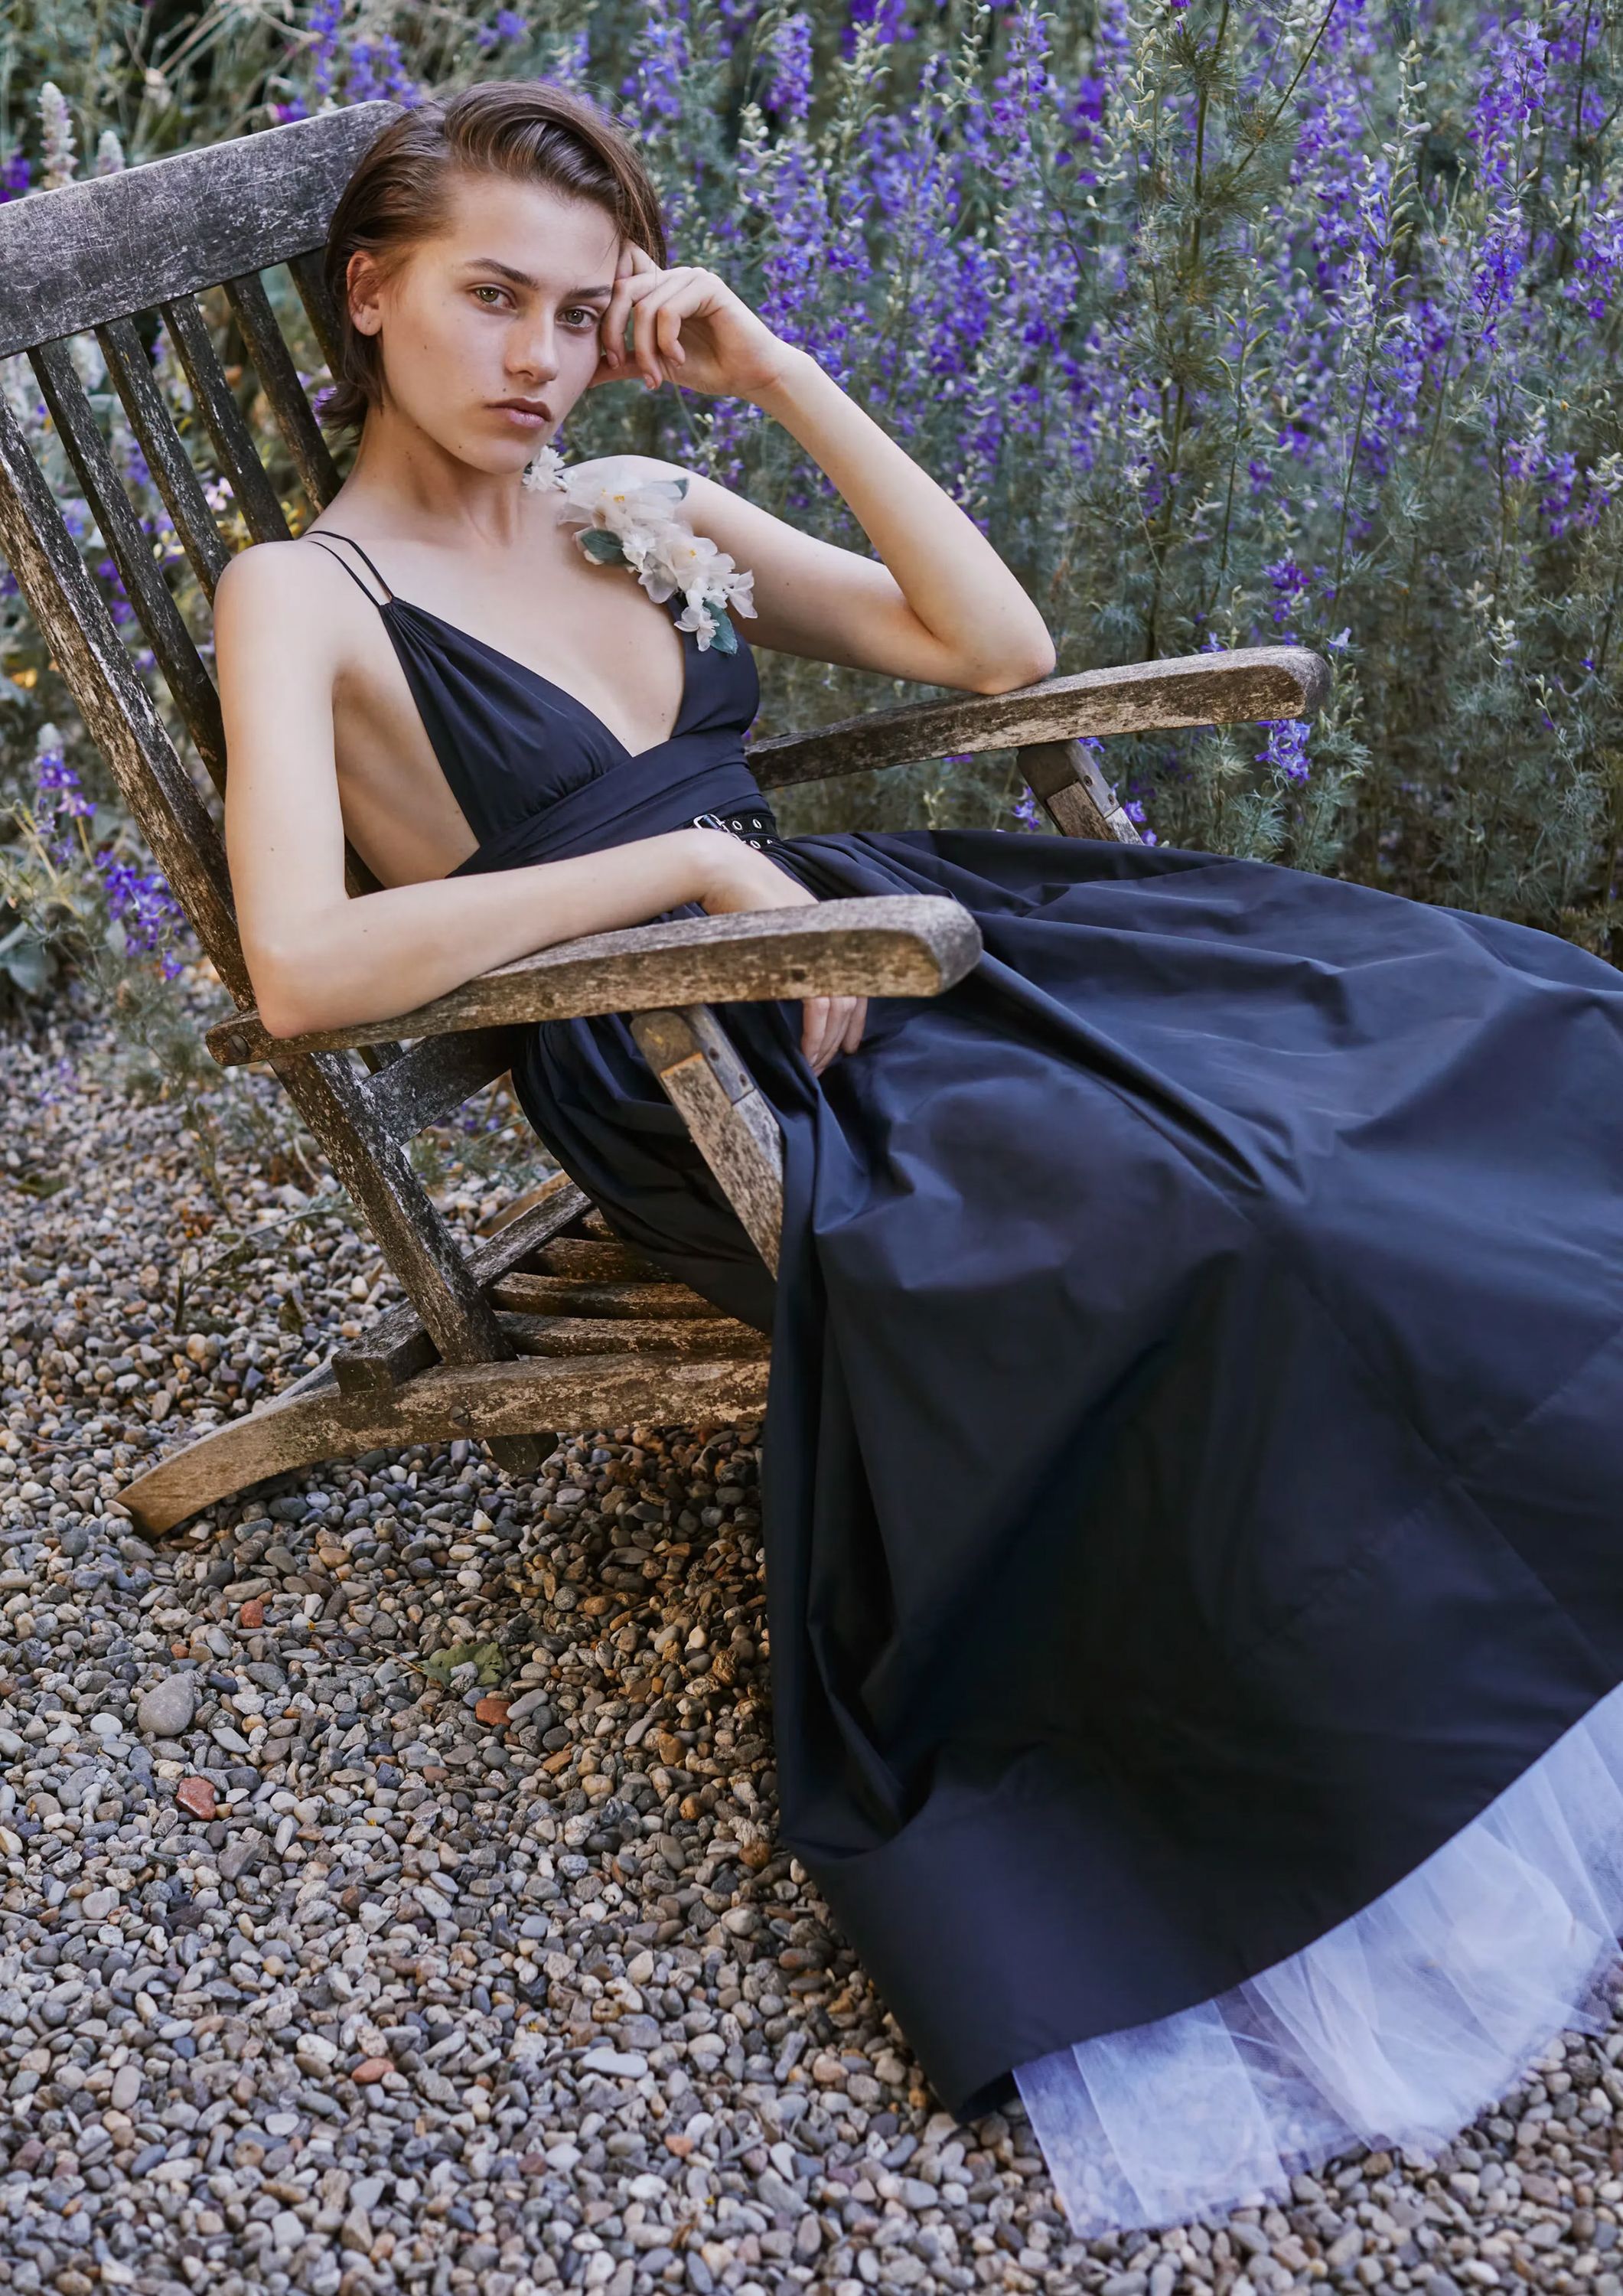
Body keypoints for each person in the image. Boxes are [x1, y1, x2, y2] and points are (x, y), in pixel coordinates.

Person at [214, 79, 1623, 2239]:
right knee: (1236, 1214)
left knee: (1469, 1011)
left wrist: (774, 372)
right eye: (491, 299)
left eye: (581, 313)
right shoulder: (300, 594)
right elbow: (305, 969)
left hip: (894, 946)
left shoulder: (630, 500)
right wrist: (690, 867)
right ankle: (1373, 1714)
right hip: (705, 1050)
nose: (538, 358)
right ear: (373, 290)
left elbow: (992, 651)